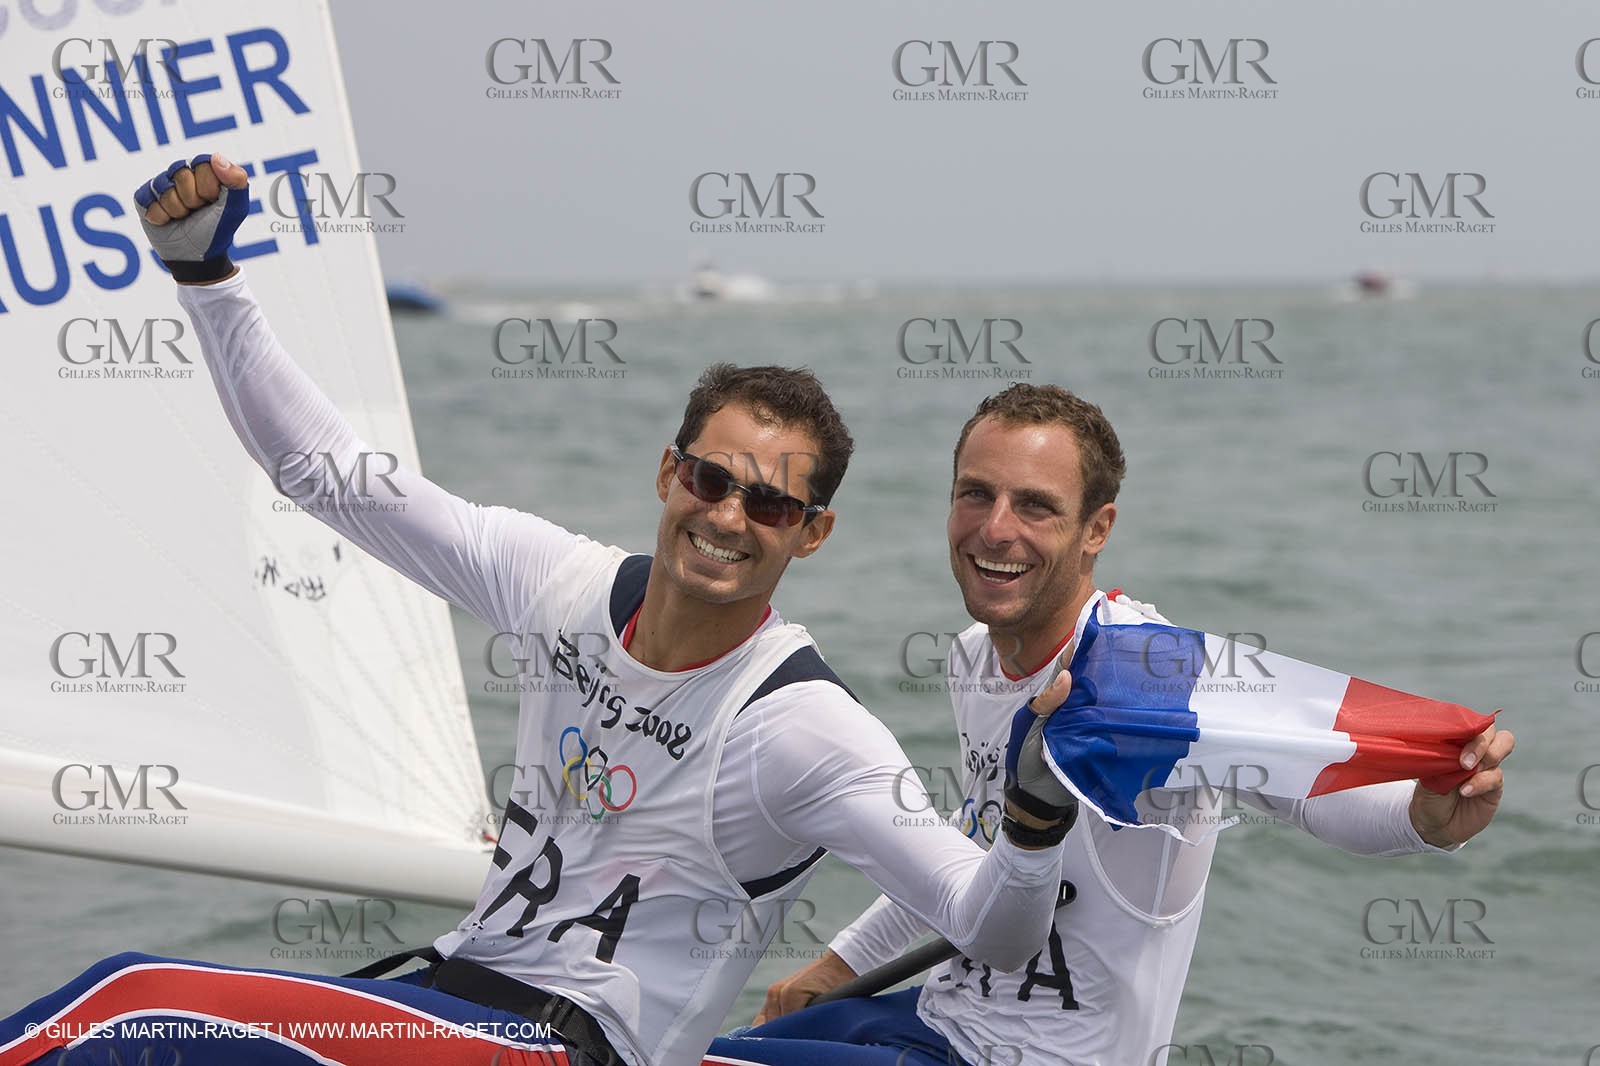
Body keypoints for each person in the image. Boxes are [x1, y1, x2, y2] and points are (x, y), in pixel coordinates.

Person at [0, 158, 1080, 1066]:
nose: (727, 517)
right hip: (449, 994)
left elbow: (988, 924)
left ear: (812, 533)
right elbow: (325, 473)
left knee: (131, 1004)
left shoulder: (805, 730)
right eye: (710, 480)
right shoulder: (556, 583)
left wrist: (1031, 831)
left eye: (769, 504)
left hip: (565, 1046)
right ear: (668, 473)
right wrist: (205, 276)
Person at [710, 384, 1514, 1066]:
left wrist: (1424, 817)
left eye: (1035, 505)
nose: (995, 528)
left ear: (1097, 529)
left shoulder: (1149, 678)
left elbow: (1309, 792)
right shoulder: (972, 659)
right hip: (939, 1020)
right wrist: (840, 963)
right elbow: (973, 852)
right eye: (975, 494)